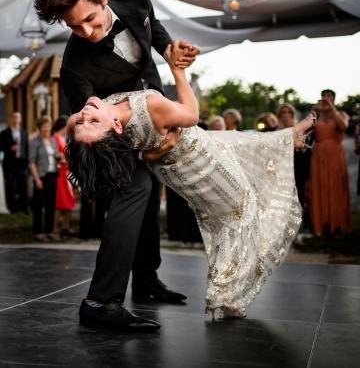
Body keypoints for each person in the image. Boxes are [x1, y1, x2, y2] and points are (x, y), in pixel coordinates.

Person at [65, 46, 316, 320]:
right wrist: (178, 71)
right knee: (238, 212)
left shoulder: (97, 118)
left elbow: (77, 130)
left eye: (83, 122)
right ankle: (227, 292)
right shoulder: (151, 107)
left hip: (195, 148)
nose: (85, 113)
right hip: (198, 161)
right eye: (90, 120)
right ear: (115, 126)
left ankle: (291, 136)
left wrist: (139, 153)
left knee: (240, 143)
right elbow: (192, 115)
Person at [35, 0, 199, 331]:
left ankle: (146, 280)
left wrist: (173, 51)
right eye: (74, 26)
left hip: (155, 105)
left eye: (90, 20)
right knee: (136, 185)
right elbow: (94, 132)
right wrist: (148, 153)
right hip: (117, 135)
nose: (86, 32)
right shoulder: (75, 65)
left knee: (150, 185)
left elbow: (153, 30)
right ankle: (101, 301)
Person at [310, 89, 352, 235]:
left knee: (335, 186)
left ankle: (337, 223)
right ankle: (321, 224)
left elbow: (343, 126)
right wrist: (314, 112)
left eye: (330, 96)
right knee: (320, 186)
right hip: (319, 154)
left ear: (334, 99)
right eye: (324, 96)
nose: (326, 99)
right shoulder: (317, 116)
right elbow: (307, 132)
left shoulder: (341, 115)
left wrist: (332, 109)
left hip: (335, 154)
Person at [277, 103, 312, 232]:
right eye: (283, 112)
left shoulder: (299, 130)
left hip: (297, 169)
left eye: (289, 112)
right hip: (279, 170)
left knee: (298, 199)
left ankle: (296, 232)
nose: (286, 115)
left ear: (293, 114)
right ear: (279, 115)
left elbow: (303, 149)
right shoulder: (274, 130)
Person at [29, 116, 59, 242]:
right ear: (39, 128)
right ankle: (38, 232)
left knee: (50, 205)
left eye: (48, 125)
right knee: (38, 205)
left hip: (53, 175)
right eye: (44, 126)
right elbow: (31, 162)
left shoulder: (53, 141)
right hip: (41, 176)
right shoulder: (35, 142)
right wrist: (37, 179)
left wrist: (59, 157)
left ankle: (49, 231)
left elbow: (54, 156)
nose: (47, 128)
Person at [52, 116, 76, 238]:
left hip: (67, 172)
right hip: (60, 173)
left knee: (70, 200)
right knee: (59, 201)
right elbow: (53, 154)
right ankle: (55, 229)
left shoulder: (65, 138)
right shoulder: (55, 138)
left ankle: (65, 227)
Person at [0, 111, 29, 213]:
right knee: (9, 186)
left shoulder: (24, 132)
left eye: (18, 117)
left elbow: (26, 148)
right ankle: (11, 208)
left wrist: (27, 163)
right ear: (11, 119)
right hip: (9, 164)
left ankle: (24, 207)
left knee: (23, 185)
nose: (16, 119)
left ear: (20, 119)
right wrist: (9, 148)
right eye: (14, 117)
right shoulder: (4, 133)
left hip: (21, 163)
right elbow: (1, 147)